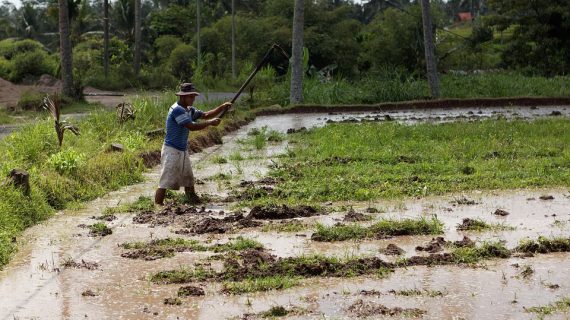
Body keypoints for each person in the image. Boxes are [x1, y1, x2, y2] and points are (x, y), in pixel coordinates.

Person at [154, 83, 231, 205]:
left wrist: (221, 107)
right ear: (183, 97)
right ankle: (157, 206)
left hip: (182, 149)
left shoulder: (189, 109)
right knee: (165, 181)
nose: (193, 99)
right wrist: (210, 123)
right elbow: (192, 126)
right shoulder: (177, 110)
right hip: (171, 150)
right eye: (191, 96)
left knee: (188, 179)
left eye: (194, 96)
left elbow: (205, 115)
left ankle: (193, 201)